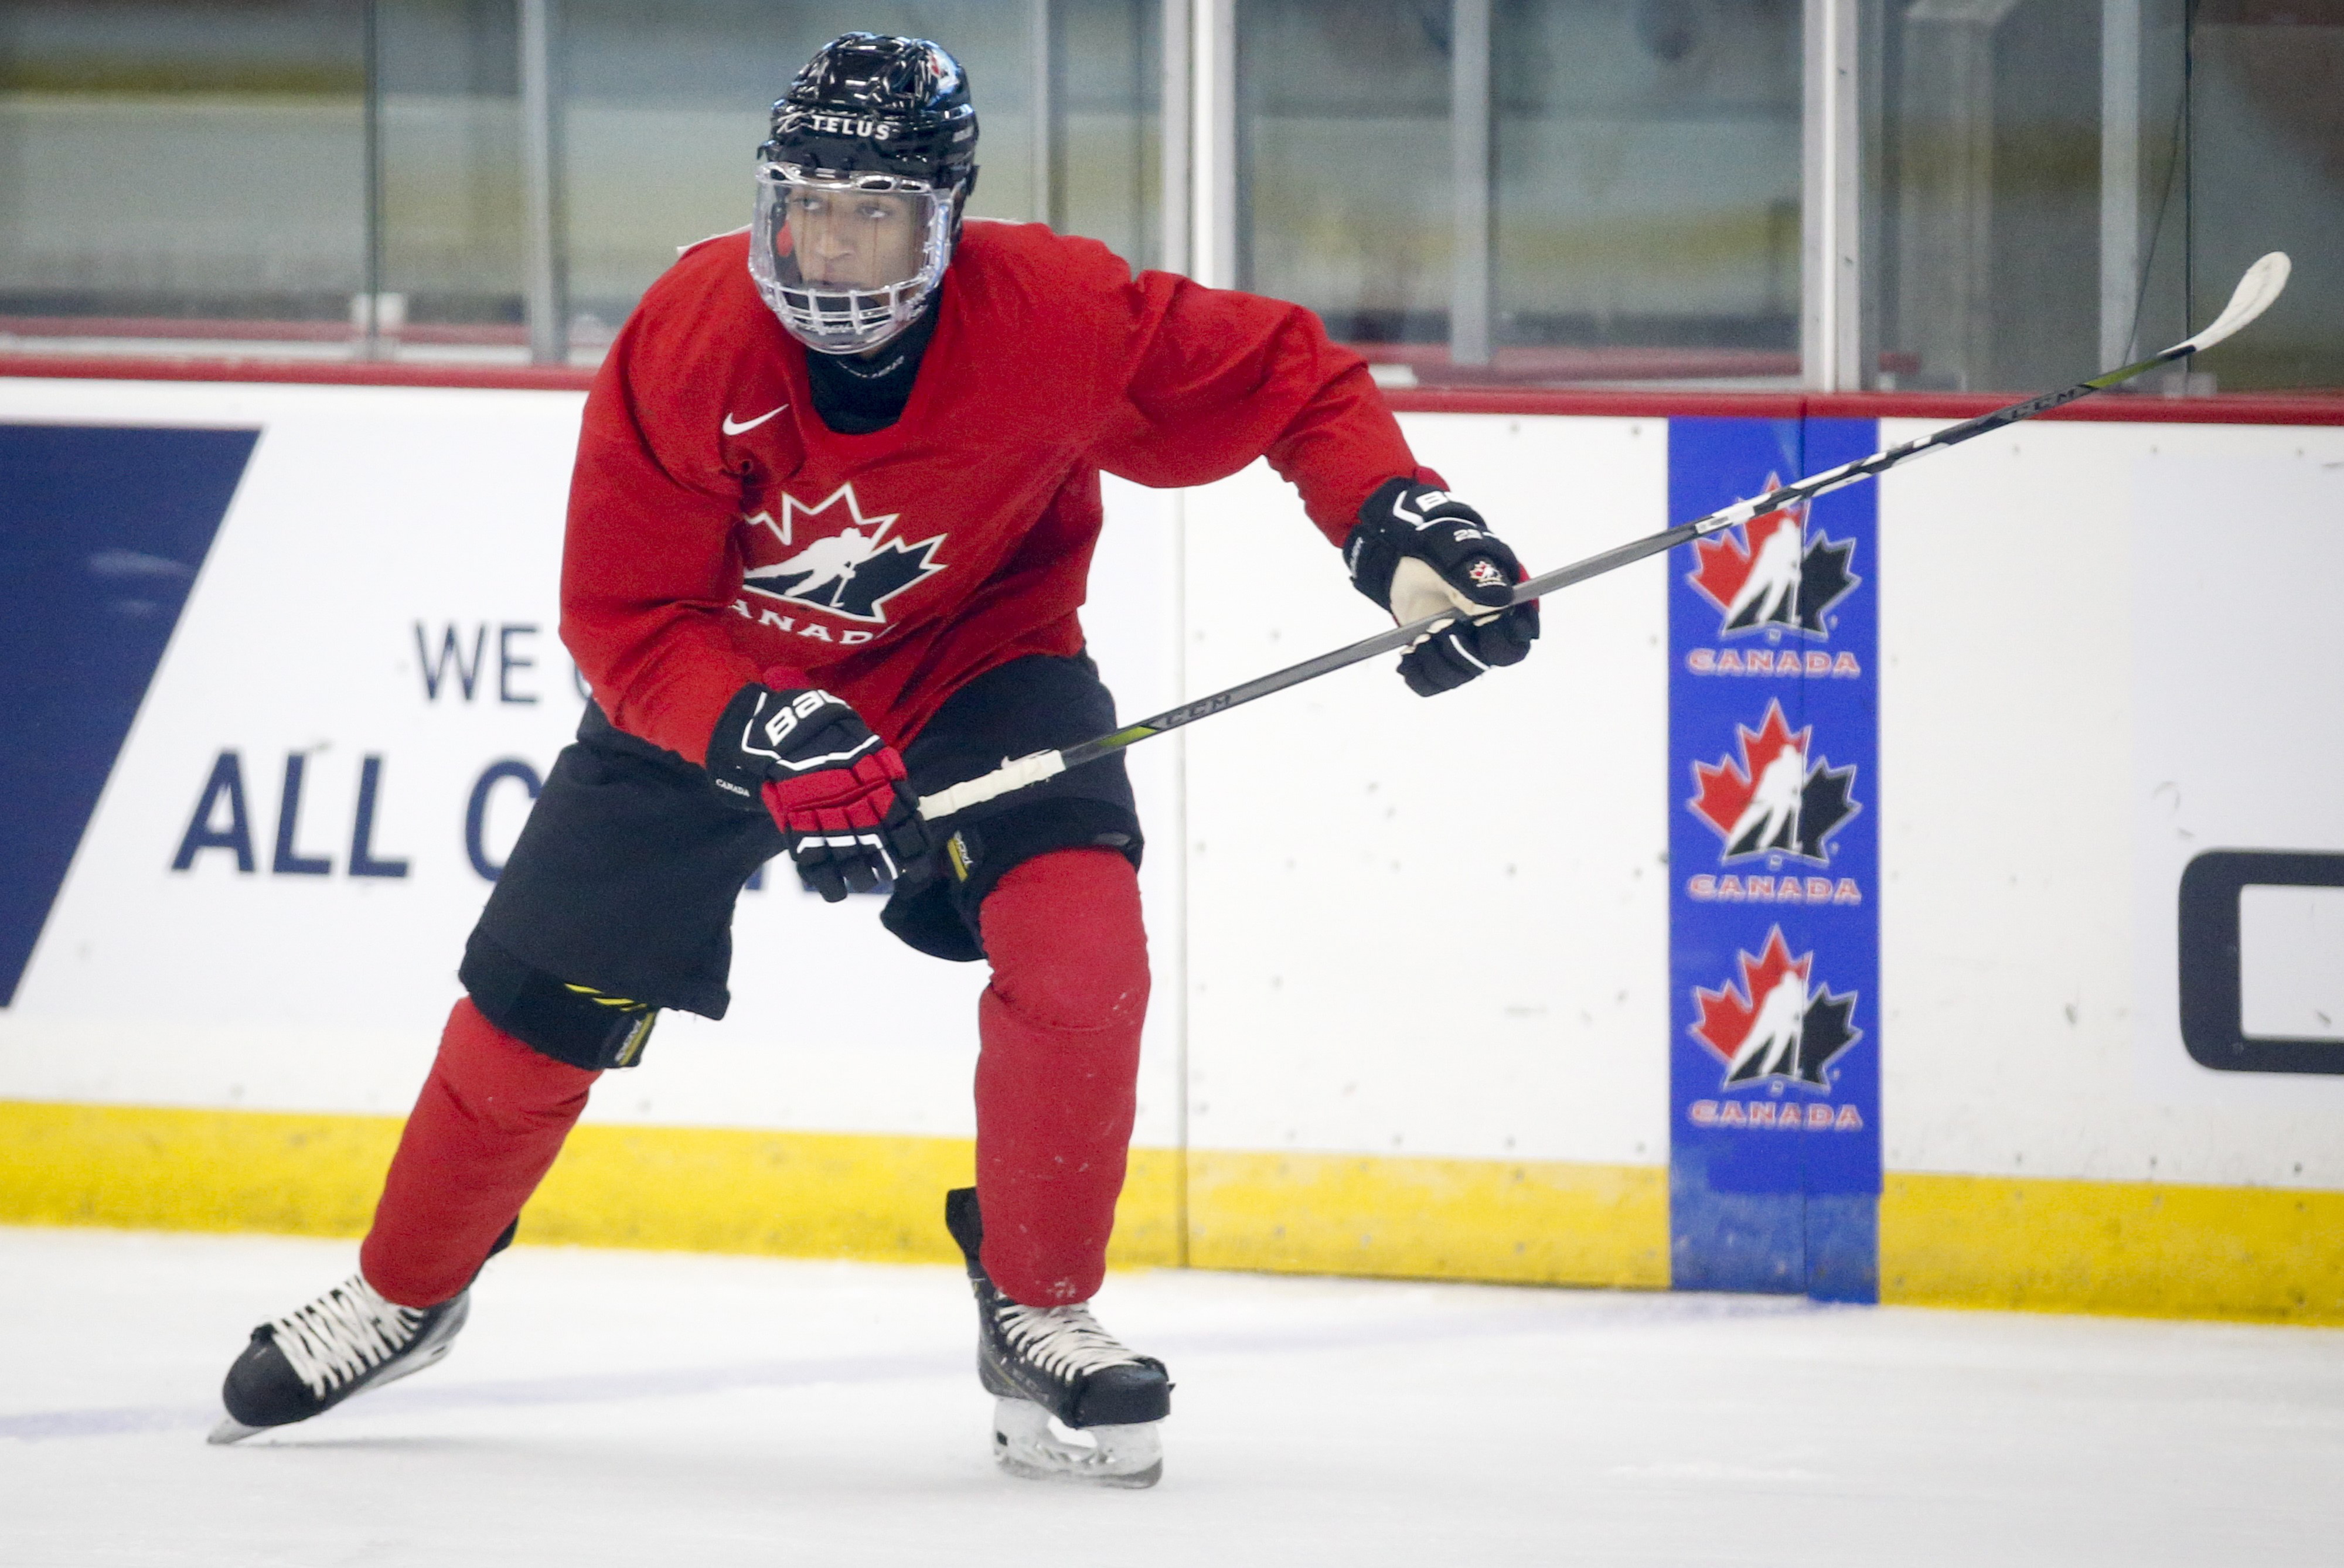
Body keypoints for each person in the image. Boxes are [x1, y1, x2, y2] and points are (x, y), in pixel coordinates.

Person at [208, 30, 1539, 1488]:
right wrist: (755, 726)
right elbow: (626, 617)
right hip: (722, 691)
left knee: (1081, 952)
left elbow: (1289, 376)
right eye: (806, 205)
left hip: (979, 662)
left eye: (874, 212)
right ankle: (405, 1291)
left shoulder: (1056, 312)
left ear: (946, 217)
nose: (830, 251)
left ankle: (1037, 1307)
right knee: (534, 1008)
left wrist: (1392, 523)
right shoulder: (691, 331)